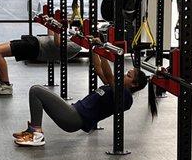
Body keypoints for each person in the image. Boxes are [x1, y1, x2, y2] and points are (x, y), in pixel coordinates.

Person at [12, 47, 151, 147]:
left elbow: (109, 75)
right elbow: (98, 68)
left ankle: (36, 134)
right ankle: (33, 131)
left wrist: (103, 51)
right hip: (72, 111)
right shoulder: (113, 86)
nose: (124, 74)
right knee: (37, 91)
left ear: (134, 84)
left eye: (128, 75)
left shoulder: (125, 97)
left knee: (36, 90)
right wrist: (94, 48)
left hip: (75, 118)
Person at [0, 30, 81, 95]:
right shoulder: (73, 40)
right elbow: (52, 37)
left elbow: (58, 43)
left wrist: (58, 29)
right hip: (34, 42)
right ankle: (2, 82)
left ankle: (5, 84)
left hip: (35, 48)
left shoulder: (76, 46)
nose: (78, 33)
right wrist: (52, 24)